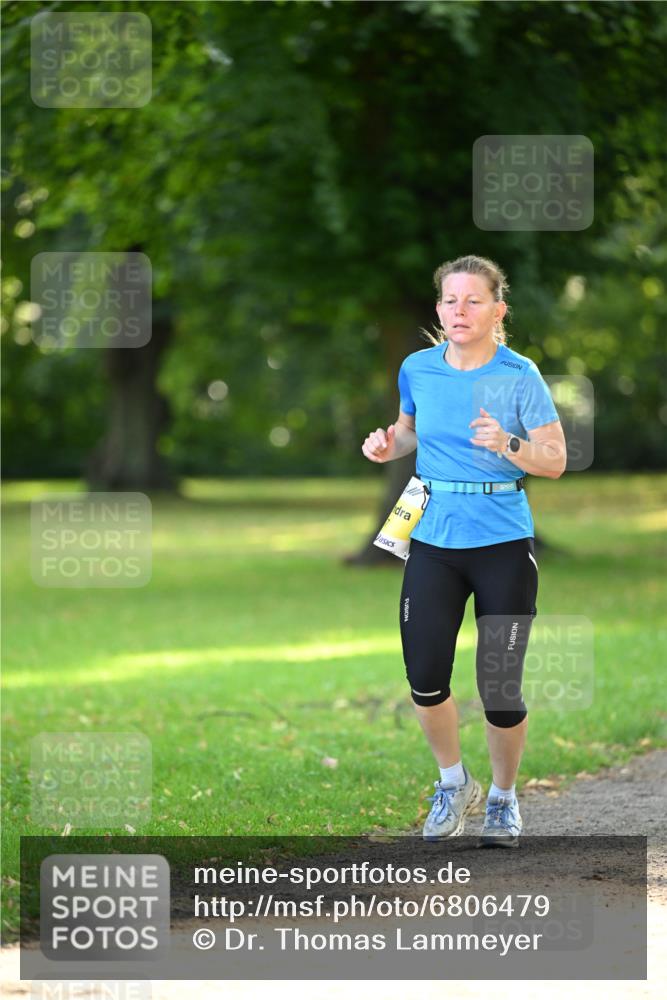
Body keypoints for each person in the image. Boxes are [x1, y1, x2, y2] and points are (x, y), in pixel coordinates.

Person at [362, 254, 567, 846]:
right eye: (450, 300)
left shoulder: (519, 374)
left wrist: (507, 442)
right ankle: (454, 783)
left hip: (502, 540)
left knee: (500, 686)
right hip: (433, 540)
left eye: (473, 300)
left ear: (497, 310)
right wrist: (386, 444)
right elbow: (408, 431)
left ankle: (503, 797)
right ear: (438, 309)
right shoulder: (417, 368)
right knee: (424, 674)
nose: (460, 310)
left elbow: (554, 460)